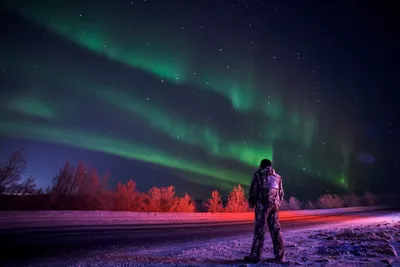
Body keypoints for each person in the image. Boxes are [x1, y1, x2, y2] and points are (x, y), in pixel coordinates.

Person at [244, 159, 285, 263]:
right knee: (276, 230)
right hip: (274, 206)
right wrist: (277, 204)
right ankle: (280, 255)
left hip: (263, 206)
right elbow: (281, 194)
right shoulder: (278, 177)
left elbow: (254, 190)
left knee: (259, 230)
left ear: (261, 165)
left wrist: (252, 202)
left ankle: (255, 257)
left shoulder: (258, 175)